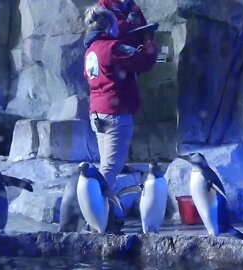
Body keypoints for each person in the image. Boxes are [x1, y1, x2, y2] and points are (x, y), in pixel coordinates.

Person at [83, 5, 157, 232]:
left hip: (98, 112)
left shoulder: (91, 50)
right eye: (116, 24)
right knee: (110, 170)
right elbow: (144, 62)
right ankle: (94, 220)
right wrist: (148, 40)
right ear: (108, 26)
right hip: (116, 114)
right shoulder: (113, 47)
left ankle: (106, 216)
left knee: (106, 166)